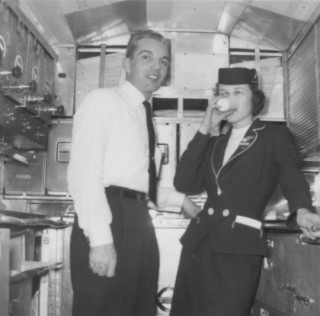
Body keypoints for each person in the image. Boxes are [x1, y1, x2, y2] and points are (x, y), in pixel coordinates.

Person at [67, 29, 200, 316]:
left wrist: (183, 203)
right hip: (110, 222)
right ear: (126, 64)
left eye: (163, 61)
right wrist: (101, 240)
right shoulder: (104, 101)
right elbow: (84, 174)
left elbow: (137, 185)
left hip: (139, 222)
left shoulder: (142, 114)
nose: (156, 67)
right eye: (146, 57)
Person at [170, 67, 320, 316]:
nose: (229, 98)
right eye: (223, 93)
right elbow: (184, 182)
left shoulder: (274, 135)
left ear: (255, 97)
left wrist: (303, 209)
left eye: (238, 92)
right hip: (198, 243)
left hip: (237, 246)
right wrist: (205, 128)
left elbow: (291, 175)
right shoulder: (214, 143)